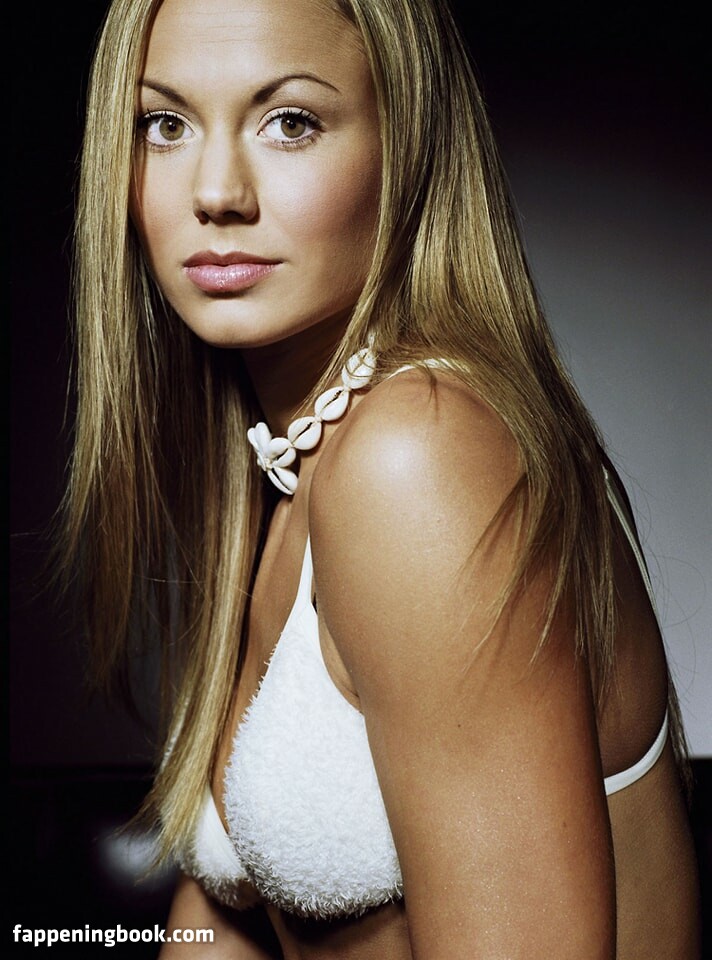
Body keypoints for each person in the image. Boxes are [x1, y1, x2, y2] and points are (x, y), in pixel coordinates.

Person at [61, 0, 701, 955]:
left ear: (408, 147)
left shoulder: (422, 456)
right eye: (165, 123)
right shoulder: (289, 467)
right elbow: (216, 931)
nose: (218, 192)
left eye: (290, 122)